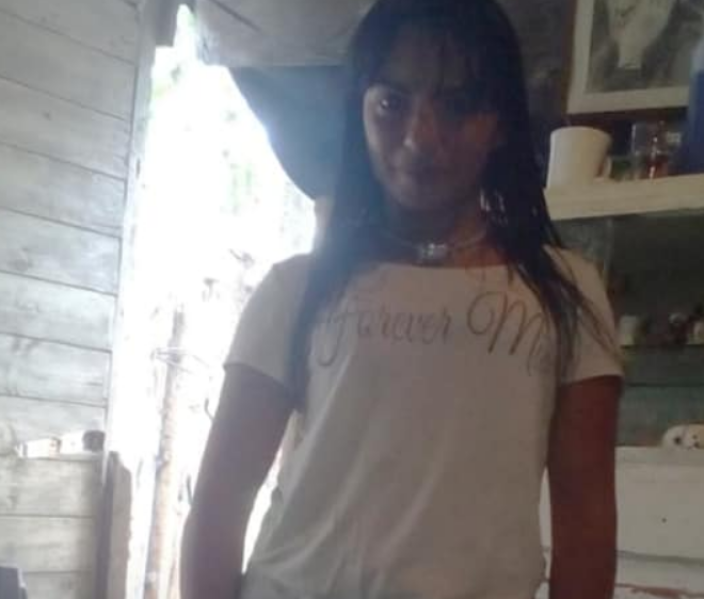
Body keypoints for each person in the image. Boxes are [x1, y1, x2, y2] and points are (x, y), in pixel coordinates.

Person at [181, 1, 623, 599]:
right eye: (392, 103)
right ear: (360, 110)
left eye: (457, 104)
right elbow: (218, 505)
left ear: (499, 123)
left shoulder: (566, 298)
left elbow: (586, 523)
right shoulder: (295, 289)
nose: (420, 136)